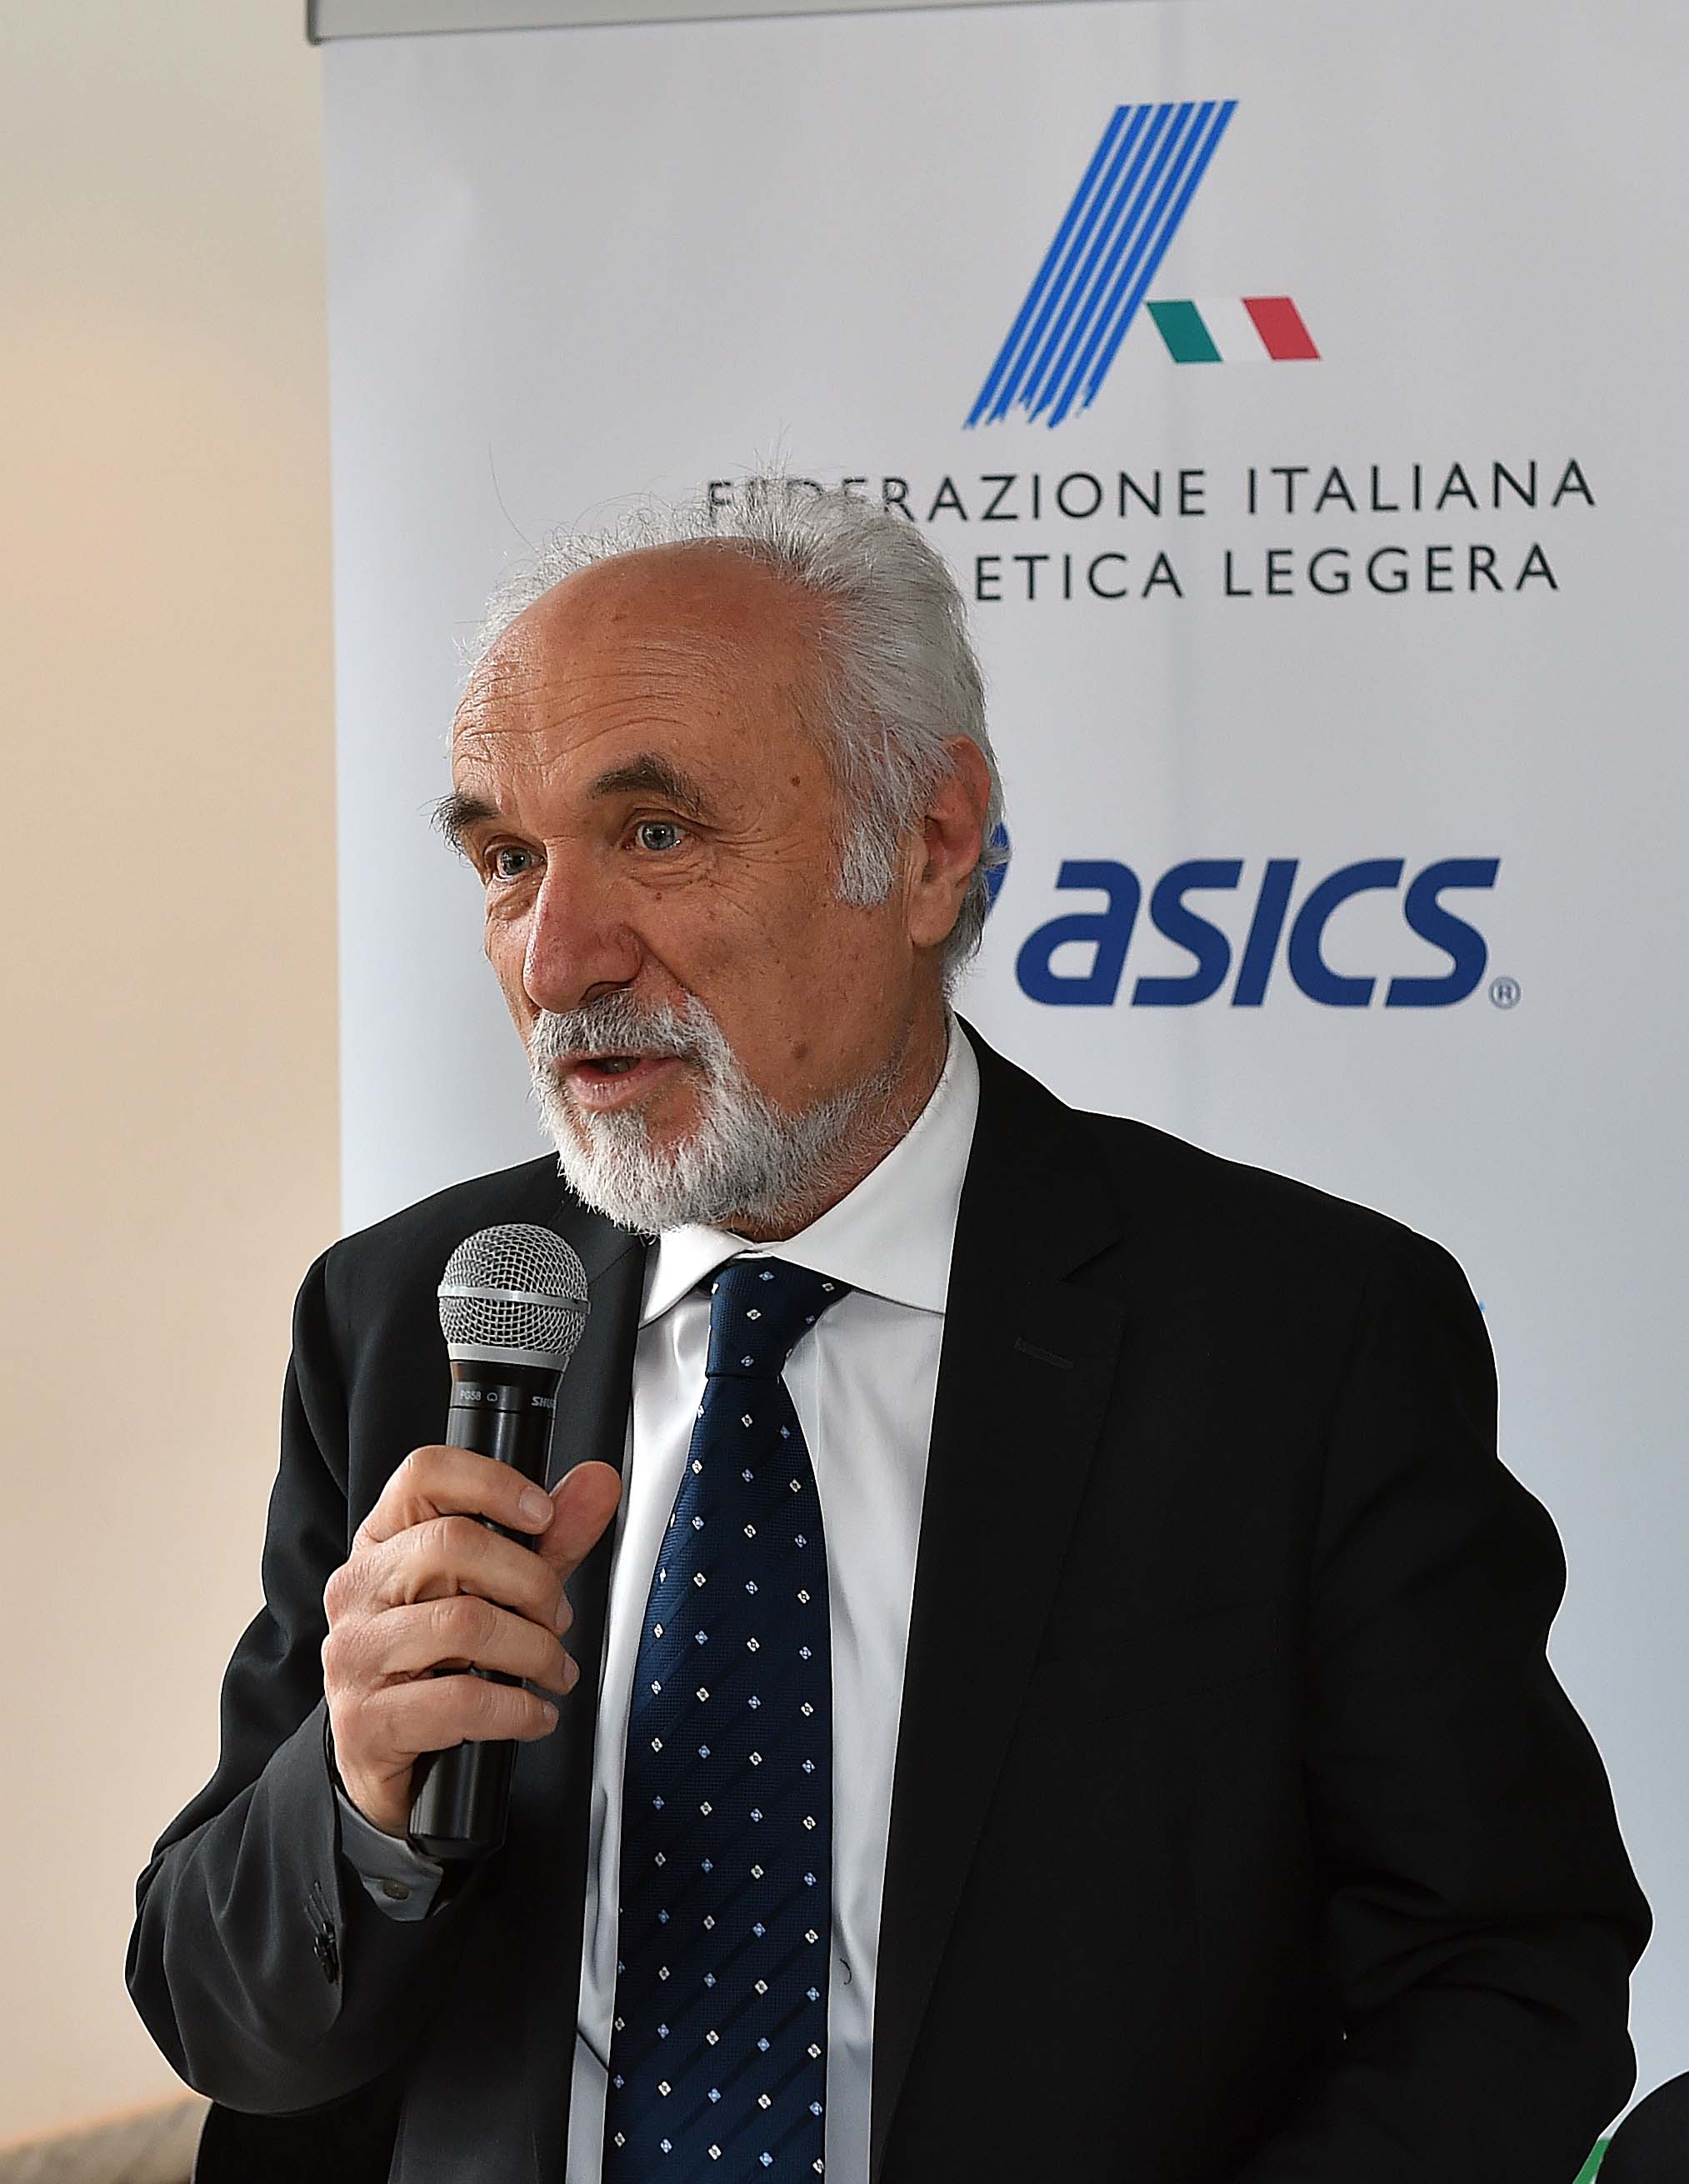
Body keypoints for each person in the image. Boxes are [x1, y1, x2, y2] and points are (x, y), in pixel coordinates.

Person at [127, 479, 1649, 2184]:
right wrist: (358, 1797)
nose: (557, 960)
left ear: (931, 846)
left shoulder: (1302, 1336)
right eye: (506, 861)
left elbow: (1505, 1972)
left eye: (655, 835)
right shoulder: (410, 1316)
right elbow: (226, 2025)